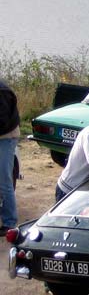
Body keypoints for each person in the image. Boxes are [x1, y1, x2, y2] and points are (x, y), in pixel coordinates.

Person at [0, 79, 19, 234]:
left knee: (4, 179)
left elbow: (3, 121)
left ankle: (10, 222)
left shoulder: (2, 92)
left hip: (6, 137)